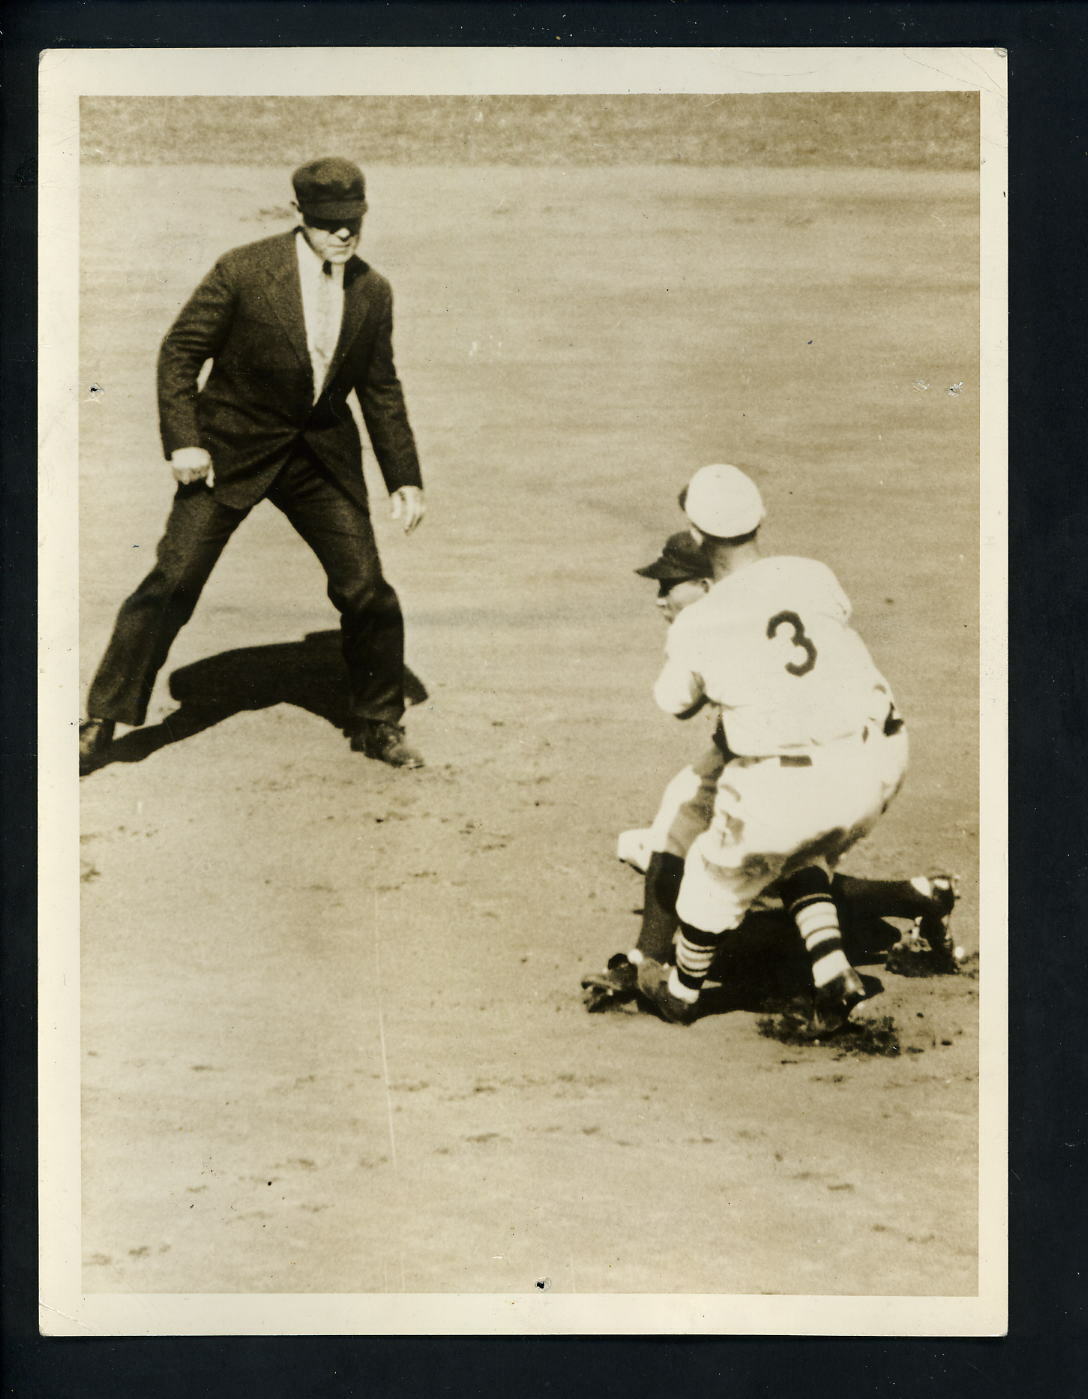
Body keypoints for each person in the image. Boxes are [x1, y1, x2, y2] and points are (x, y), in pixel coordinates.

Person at [79, 156, 426, 775]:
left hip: (318, 457)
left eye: (353, 222)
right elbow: (180, 352)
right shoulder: (244, 270)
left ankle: (378, 721)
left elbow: (381, 389)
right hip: (229, 451)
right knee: (175, 579)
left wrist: (404, 477)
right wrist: (184, 440)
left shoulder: (372, 290)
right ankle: (103, 720)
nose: (343, 234)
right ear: (299, 215)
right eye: (327, 223)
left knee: (366, 588)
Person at [581, 529, 959, 1024]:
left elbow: (681, 703)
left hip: (814, 756)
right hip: (873, 750)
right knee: (790, 848)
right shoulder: (796, 582)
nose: (659, 600)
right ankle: (855, 951)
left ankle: (671, 983)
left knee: (711, 850)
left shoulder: (712, 620)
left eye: (669, 585)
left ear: (706, 582)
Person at [631, 465, 914, 1027]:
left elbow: (676, 702)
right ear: (760, 518)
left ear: (697, 534)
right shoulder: (812, 574)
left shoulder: (700, 621)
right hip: (872, 769)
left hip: (781, 790)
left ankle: (681, 996)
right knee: (801, 849)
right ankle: (834, 974)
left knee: (713, 880)